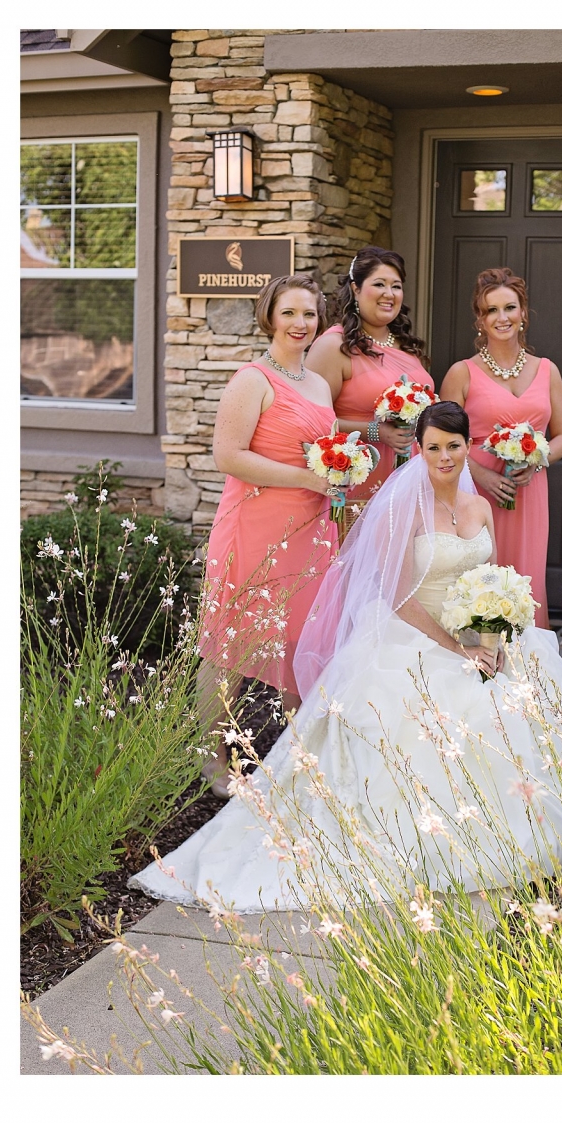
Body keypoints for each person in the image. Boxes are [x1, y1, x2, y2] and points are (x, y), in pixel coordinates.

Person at [130, 401, 562, 913]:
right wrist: (456, 647)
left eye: (454, 446)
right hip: (417, 636)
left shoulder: (480, 507)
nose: (444, 456)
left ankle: (505, 833)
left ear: (469, 447)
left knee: (518, 705)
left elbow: (489, 580)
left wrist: (494, 636)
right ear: (419, 449)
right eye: (433, 447)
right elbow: (397, 596)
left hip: (474, 636)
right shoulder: (403, 510)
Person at [197, 274, 340, 797]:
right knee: (232, 643)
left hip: (310, 526)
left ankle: (298, 754)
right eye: (290, 313)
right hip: (255, 526)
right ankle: (210, 755)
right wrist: (307, 477)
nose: (301, 323)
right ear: (270, 317)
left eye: (309, 314)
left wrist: (337, 473)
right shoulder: (252, 379)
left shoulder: (318, 383)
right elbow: (228, 455)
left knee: (304, 636)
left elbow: (321, 448)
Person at [440, 267, 562, 629]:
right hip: (476, 493)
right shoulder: (461, 373)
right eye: (491, 310)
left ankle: (527, 661)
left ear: (523, 313)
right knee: (482, 580)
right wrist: (481, 474)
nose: (502, 317)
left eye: (510, 307)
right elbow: (442, 443)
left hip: (529, 494)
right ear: (480, 320)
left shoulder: (547, 370)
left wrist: (538, 460)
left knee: (526, 579)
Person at [305, 246, 433, 497]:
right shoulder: (333, 346)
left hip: (411, 477)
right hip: (358, 478)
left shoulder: (407, 346)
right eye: (379, 284)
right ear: (356, 289)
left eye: (396, 286)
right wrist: (376, 431)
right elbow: (312, 421)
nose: (389, 294)